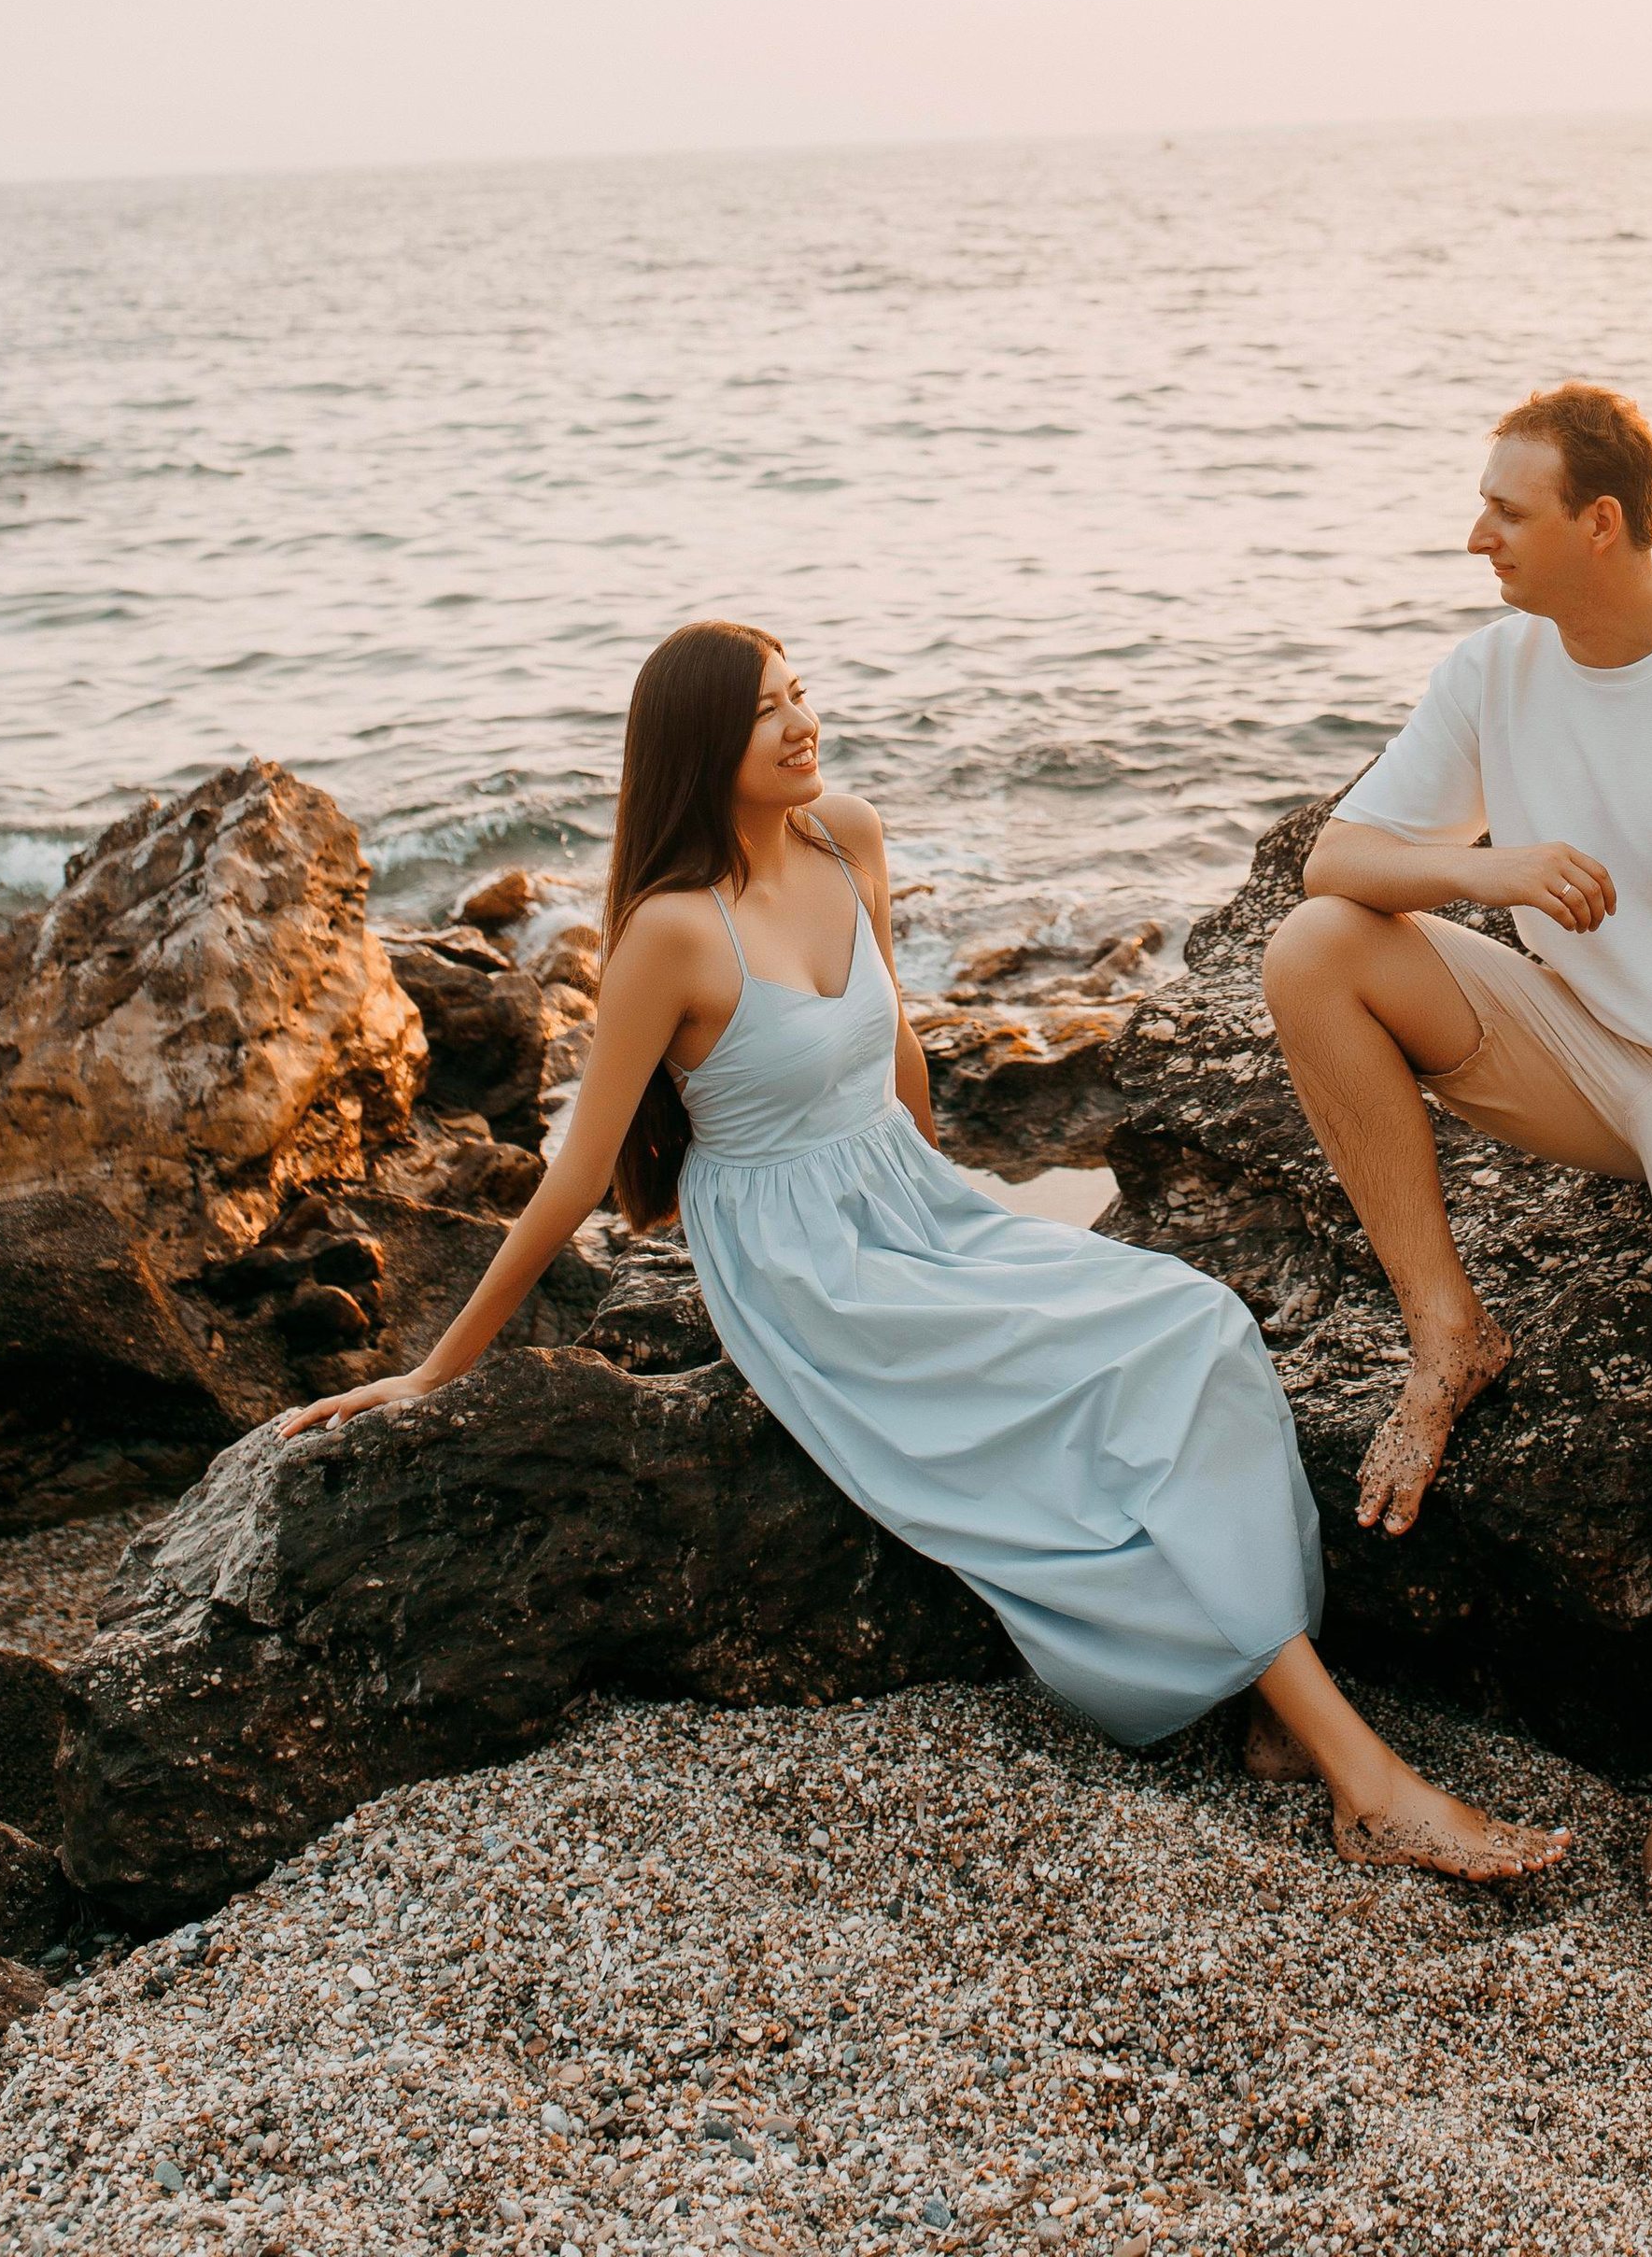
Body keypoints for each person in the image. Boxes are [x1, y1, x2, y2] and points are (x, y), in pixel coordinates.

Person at [286, 618, 1569, 1889]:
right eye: (764, 712)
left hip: (908, 1198)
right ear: (698, 746)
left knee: (1200, 1324)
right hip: (800, 1262)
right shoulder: (669, 934)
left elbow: (896, 1039)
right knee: (1106, 1387)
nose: (803, 724)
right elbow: (577, 1175)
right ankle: (1367, 1786)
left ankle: (1282, 1714)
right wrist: (434, 1371)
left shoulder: (845, 835)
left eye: (801, 692)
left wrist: (964, 1216)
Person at [1260, 386, 1652, 1967]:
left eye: (1507, 510)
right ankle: (1447, 1331)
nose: (1474, 534)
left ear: (1599, 524)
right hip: (1590, 1047)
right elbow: (1338, 861)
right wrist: (1484, 867)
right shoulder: (1495, 669)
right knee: (1317, 952)